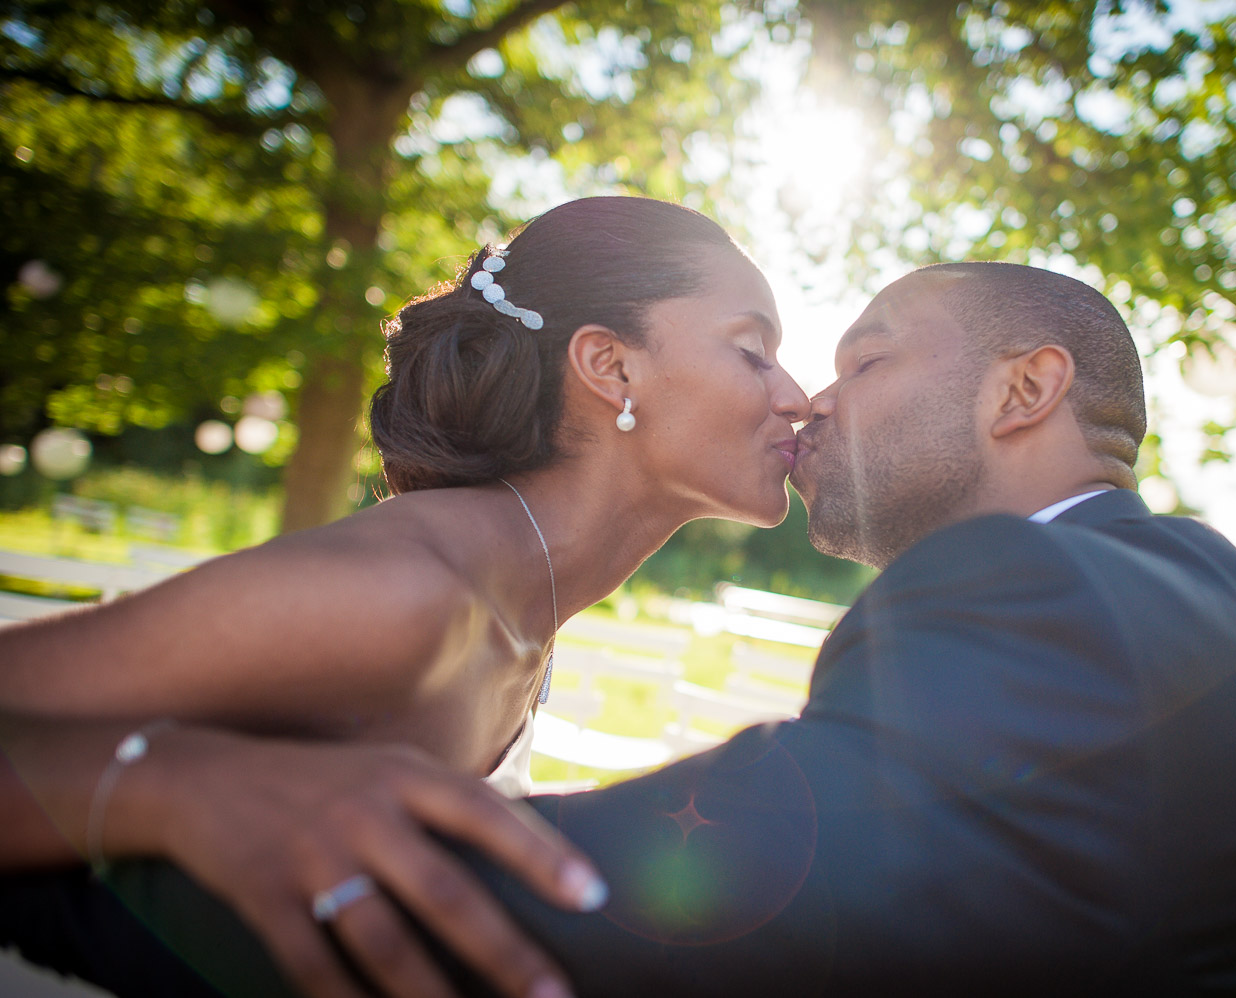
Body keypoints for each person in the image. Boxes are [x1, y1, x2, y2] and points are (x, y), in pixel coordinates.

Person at [5, 263, 1236, 996]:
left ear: (1025, 392)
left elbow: (582, 919)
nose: (811, 402)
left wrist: (112, 833)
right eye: (772, 357)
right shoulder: (1199, 587)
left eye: (861, 358)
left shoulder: (1040, 593)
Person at [0, 195, 811, 998]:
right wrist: (174, 787)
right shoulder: (402, 594)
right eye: (753, 350)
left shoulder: (527, 605)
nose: (796, 397)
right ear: (611, 366)